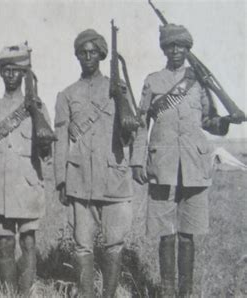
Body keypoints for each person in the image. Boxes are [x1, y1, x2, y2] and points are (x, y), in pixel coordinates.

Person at [130, 24, 237, 297]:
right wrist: (137, 161)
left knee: (188, 233)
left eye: (181, 46)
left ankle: (185, 293)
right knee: (165, 233)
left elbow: (208, 121)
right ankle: (166, 291)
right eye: (170, 46)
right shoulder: (153, 81)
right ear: (163, 49)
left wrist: (226, 120)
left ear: (188, 49)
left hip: (193, 164)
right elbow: (142, 124)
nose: (175, 51)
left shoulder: (198, 81)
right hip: (162, 164)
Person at [53, 29, 134, 297]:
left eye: (93, 51)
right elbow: (61, 140)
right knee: (82, 246)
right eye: (82, 52)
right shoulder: (67, 94)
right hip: (80, 181)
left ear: (101, 54)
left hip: (114, 179)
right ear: (76, 55)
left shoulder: (118, 88)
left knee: (114, 244)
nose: (87, 56)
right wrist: (61, 180)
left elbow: (136, 127)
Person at [0, 43, 51, 296]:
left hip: (27, 185)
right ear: (0, 73)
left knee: (28, 242)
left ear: (24, 74)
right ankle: (8, 292)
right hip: (0, 187)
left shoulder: (37, 107)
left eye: (15, 70)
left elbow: (46, 151)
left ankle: (26, 292)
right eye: (5, 70)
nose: (10, 75)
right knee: (5, 244)